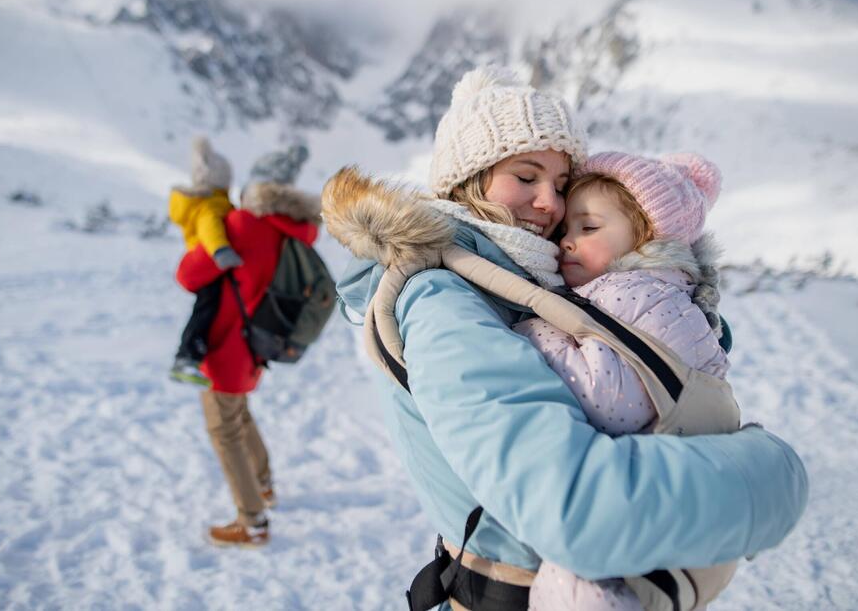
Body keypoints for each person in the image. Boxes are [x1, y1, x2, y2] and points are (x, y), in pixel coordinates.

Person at [322, 66, 807, 609]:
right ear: (468, 179)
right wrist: (770, 475)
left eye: (560, 185)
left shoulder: (526, 281)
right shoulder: (440, 300)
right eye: (526, 178)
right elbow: (574, 510)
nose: (550, 204)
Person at [515, 152, 732, 610]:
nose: (567, 243)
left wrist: (531, 328)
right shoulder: (652, 291)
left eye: (588, 228)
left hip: (633, 510)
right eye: (566, 230)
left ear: (645, 237)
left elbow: (606, 399)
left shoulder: (633, 292)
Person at [175, 143, 322, 547]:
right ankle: (265, 485)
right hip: (256, 343)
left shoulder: (242, 226)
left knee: (224, 429)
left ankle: (252, 520)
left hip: (225, 346)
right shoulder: (292, 229)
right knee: (238, 415)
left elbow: (189, 275)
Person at [168, 137, 244, 385]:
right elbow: (210, 227)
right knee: (206, 311)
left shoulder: (210, 201)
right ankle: (186, 357)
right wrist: (221, 250)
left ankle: (191, 357)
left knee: (207, 310)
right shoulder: (211, 204)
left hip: (205, 268)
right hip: (210, 266)